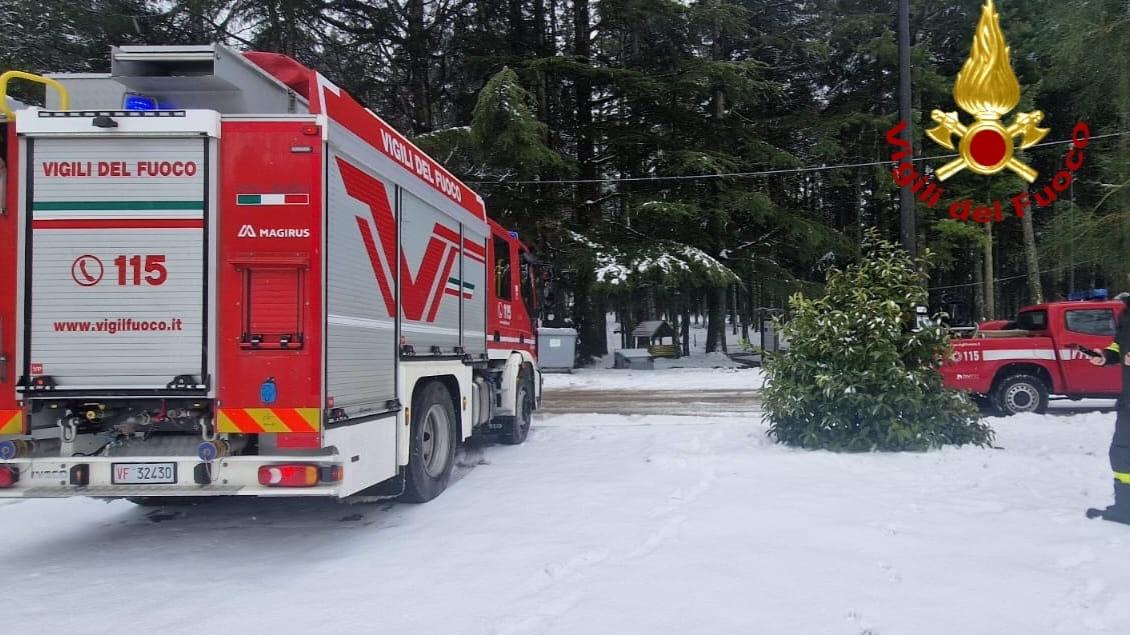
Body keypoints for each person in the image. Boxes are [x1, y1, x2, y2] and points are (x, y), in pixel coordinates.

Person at [1085, 290, 1130, 524]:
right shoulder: (1126, 313)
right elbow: (1118, 345)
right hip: (1129, 400)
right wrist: (1104, 356)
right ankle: (1125, 508)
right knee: (1123, 453)